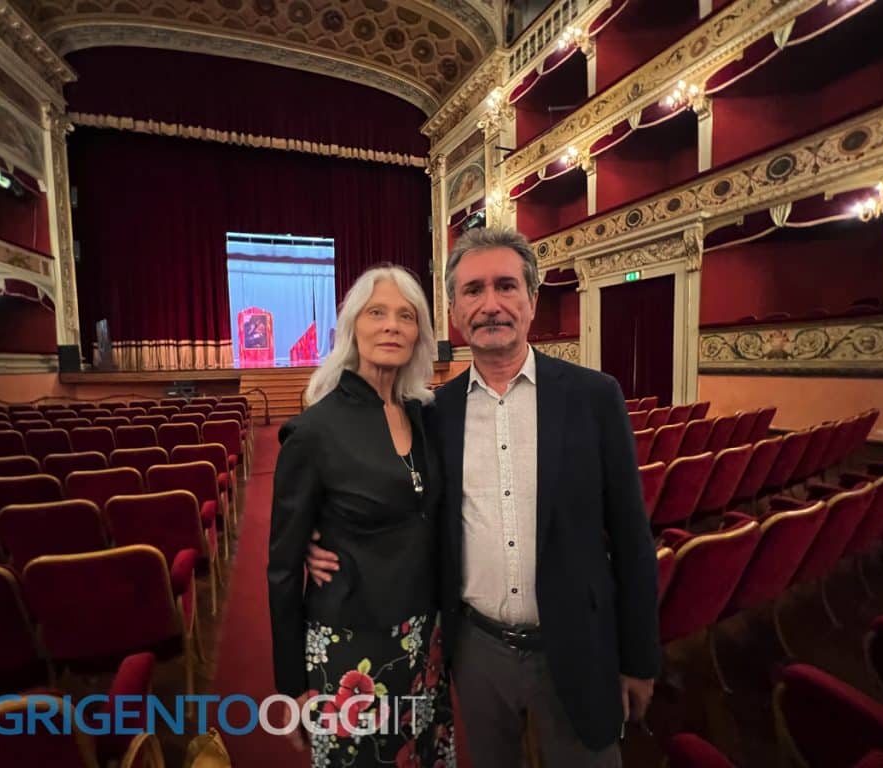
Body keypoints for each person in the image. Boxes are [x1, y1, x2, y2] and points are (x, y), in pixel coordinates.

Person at [307, 227, 660, 767]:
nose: (490, 304)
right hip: (476, 651)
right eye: (473, 290)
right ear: (453, 311)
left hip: (579, 643)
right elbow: (397, 506)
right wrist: (319, 536)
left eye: (506, 286)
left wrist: (639, 659)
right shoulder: (432, 414)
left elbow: (633, 538)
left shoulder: (595, 397)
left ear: (532, 300)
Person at [267, 265, 456, 767]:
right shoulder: (314, 432)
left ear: (419, 334)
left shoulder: (423, 414)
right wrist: (291, 685)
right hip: (350, 644)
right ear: (352, 326)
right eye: (377, 312)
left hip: (424, 634)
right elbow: (282, 570)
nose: (392, 325)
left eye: (406, 316)